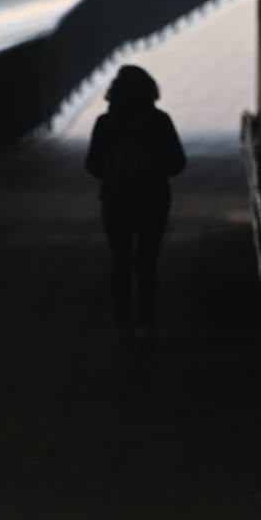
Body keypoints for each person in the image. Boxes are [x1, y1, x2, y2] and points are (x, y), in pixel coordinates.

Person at [85, 65, 186, 343]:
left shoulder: (105, 124)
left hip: (116, 200)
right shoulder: (159, 121)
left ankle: (123, 321)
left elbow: (92, 166)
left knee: (120, 260)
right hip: (153, 199)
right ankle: (146, 321)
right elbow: (177, 163)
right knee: (147, 261)